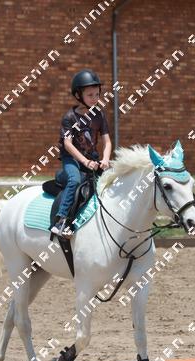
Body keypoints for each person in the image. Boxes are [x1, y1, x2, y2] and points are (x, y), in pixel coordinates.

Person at [51, 69, 112, 239]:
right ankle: (61, 220)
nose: (95, 98)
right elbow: (67, 144)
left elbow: (107, 142)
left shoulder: (99, 115)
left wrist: (105, 159)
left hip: (92, 160)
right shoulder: (69, 118)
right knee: (75, 180)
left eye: (97, 94)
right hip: (72, 160)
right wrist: (85, 162)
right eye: (90, 95)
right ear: (78, 95)